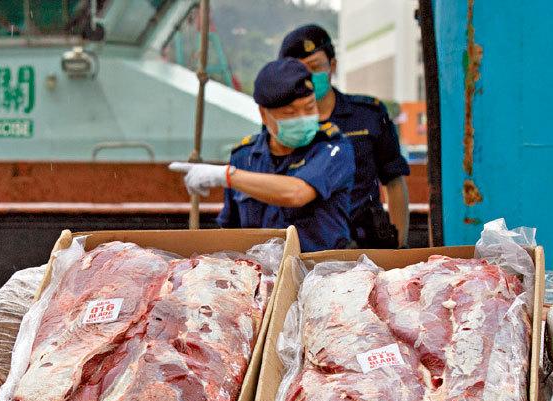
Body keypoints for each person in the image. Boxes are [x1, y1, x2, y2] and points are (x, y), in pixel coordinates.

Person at [170, 58, 355, 251]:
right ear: (264, 115)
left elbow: (296, 193)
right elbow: (230, 230)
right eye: (290, 113)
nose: (302, 118)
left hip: (318, 272)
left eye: (310, 108)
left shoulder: (333, 148)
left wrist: (226, 176)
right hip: (262, 273)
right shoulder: (245, 157)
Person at [280, 23, 411, 249]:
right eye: (298, 70)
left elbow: (394, 181)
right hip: (309, 247)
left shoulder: (368, 115)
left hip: (367, 244)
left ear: (332, 65)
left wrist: (399, 246)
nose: (308, 77)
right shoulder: (283, 125)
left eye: (315, 66)